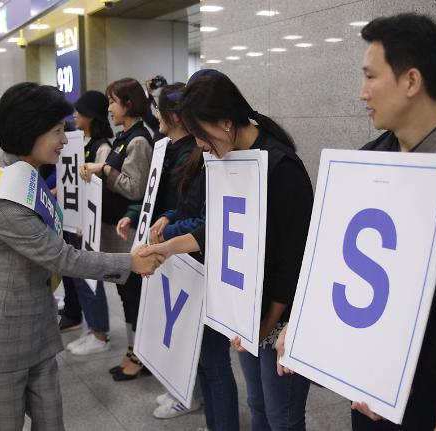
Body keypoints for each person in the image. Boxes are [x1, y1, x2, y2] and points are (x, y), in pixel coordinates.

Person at [275, 13, 436, 431]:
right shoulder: (366, 161)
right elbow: (330, 259)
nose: (362, 94)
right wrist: (300, 323)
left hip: (430, 399)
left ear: (411, 81)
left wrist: (416, 384)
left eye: (371, 77)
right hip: (365, 390)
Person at [0, 82, 162, 431]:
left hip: (36, 331)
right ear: (28, 132)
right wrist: (131, 262)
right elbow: (62, 258)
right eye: (56, 131)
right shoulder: (3, 196)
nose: (66, 140)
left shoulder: (22, 174)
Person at [142, 69, 315, 430]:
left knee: (282, 415)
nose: (200, 146)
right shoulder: (230, 158)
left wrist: (269, 321)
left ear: (225, 122)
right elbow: (219, 229)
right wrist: (171, 246)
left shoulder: (281, 167)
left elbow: (294, 259)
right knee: (258, 402)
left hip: (280, 314)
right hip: (248, 309)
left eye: (202, 136)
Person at [116, 83, 205, 419]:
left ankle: (188, 393)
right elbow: (152, 196)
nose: (154, 115)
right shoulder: (165, 146)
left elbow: (184, 208)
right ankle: (181, 389)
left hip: (179, 247)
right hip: (164, 243)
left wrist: (166, 231)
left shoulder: (190, 154)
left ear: (175, 115)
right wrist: (133, 217)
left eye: (159, 109)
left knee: (187, 333)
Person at [80, 78, 154, 381]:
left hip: (129, 235)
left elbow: (135, 189)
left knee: (134, 296)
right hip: (116, 233)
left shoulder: (138, 140)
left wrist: (104, 169)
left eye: (113, 102)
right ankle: (134, 351)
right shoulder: (125, 137)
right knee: (126, 296)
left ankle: (139, 355)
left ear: (128, 103)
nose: (109, 108)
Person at [63, 90, 117, 355]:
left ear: (91, 116)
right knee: (80, 279)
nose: (75, 116)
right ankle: (92, 327)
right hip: (76, 221)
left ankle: (99, 333)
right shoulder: (80, 143)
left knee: (90, 278)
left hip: (89, 225)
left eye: (80, 112)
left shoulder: (102, 147)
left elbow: (101, 190)